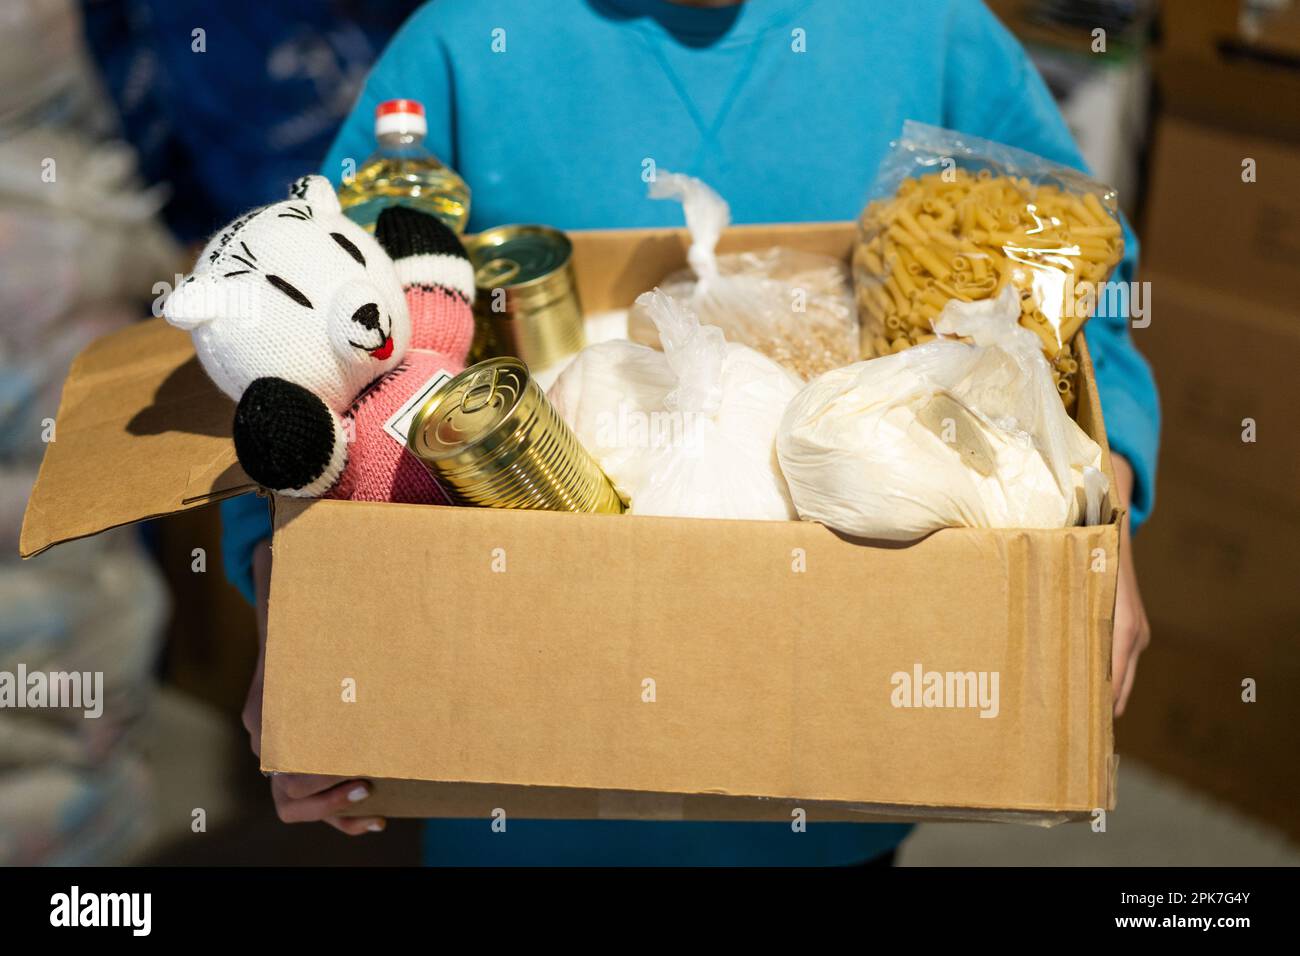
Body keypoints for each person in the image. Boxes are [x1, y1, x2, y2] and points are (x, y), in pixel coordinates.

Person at [226, 0, 1158, 865]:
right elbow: (286, 336)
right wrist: (296, 606)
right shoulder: (470, 41)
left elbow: (1087, 301)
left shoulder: (933, 31)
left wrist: (1100, 523)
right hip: (522, 787)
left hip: (838, 786)